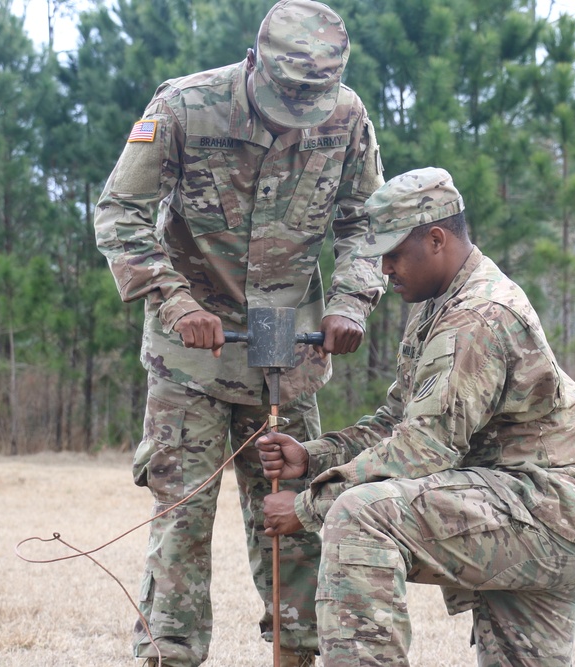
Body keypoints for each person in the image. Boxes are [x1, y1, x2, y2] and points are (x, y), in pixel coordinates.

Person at [92, 1, 385, 665]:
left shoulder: (345, 115)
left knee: (289, 510)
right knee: (182, 518)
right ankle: (169, 655)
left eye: (312, 100)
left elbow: (367, 223)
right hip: (190, 341)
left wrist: (351, 300)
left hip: (284, 337)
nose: (298, 114)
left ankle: (296, 652)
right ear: (253, 64)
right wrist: (171, 299)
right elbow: (121, 215)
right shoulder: (185, 106)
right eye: (288, 98)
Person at [258, 167, 575, 666]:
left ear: (435, 238)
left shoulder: (477, 316)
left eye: (394, 253)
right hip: (541, 513)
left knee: (360, 515)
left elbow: (424, 447)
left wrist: (306, 508)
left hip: (543, 510)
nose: (384, 268)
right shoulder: (438, 306)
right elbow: (395, 423)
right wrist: (313, 457)